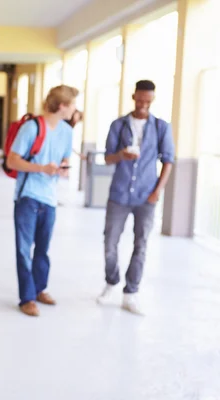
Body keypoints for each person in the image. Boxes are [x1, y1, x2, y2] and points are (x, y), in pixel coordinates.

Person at [97, 80, 175, 315]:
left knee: (141, 244)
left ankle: (131, 292)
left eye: (147, 101)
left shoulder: (161, 127)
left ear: (152, 100)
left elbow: (168, 160)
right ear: (133, 97)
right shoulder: (118, 125)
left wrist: (156, 192)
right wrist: (121, 155)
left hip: (146, 197)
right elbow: (107, 158)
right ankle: (111, 281)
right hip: (119, 194)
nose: (143, 105)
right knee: (110, 242)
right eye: (140, 100)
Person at [6, 85, 78, 317]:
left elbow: (64, 156)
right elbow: (12, 161)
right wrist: (41, 168)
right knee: (24, 249)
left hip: (50, 198)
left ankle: (39, 289)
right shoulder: (31, 127)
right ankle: (26, 298)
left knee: (43, 249)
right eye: (73, 104)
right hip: (27, 196)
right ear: (63, 106)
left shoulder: (67, 131)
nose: (76, 109)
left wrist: (63, 168)